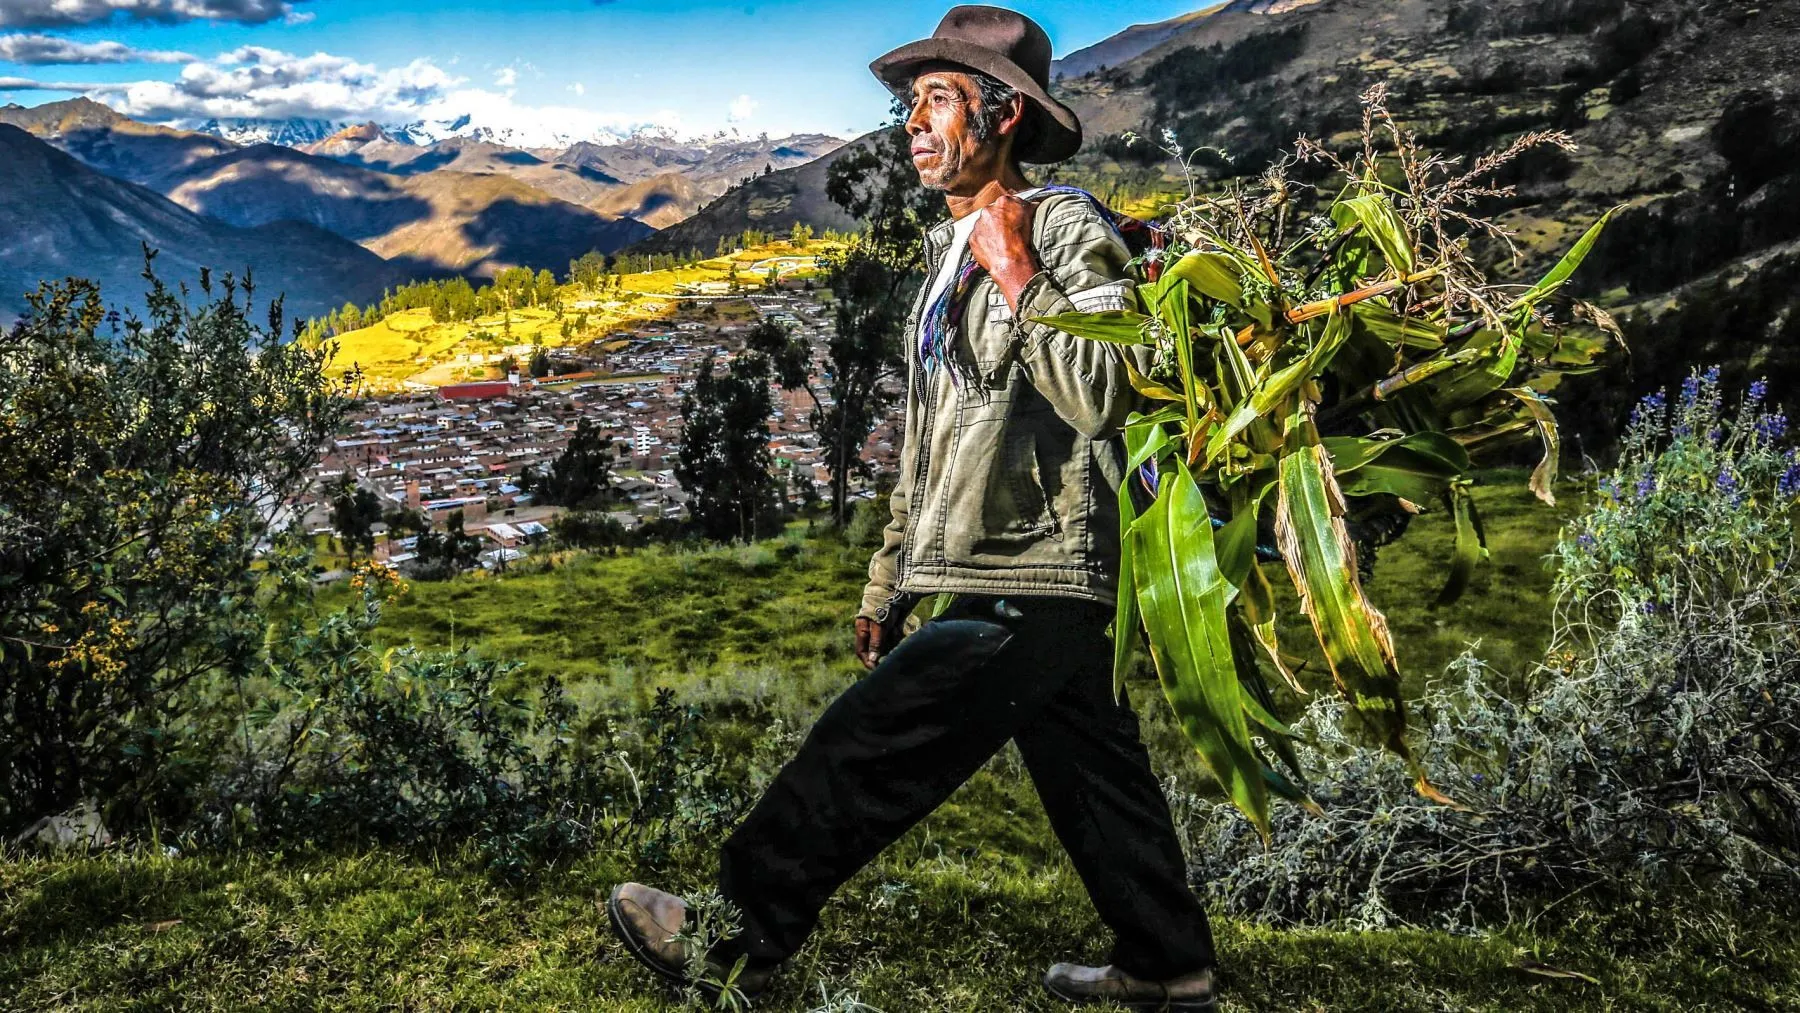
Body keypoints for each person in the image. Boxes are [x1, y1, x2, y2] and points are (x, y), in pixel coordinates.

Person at [606, 6, 1218, 1009]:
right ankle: (1167, 956)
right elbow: (932, 439)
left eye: (936, 99)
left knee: (867, 744)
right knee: (1091, 767)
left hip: (1042, 567)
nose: (911, 124)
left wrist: (1020, 276)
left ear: (1005, 114)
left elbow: (1111, 388)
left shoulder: (1061, 227)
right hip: (983, 561)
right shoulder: (944, 257)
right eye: (909, 104)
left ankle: (730, 931)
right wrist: (891, 576)